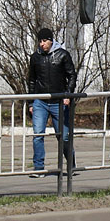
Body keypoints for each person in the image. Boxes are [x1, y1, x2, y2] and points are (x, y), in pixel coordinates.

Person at [27, 27, 77, 177]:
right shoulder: (35, 57)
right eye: (40, 41)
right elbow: (31, 80)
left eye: (45, 41)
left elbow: (71, 75)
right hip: (40, 101)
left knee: (64, 136)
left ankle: (71, 165)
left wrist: (68, 94)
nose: (42, 44)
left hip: (59, 102)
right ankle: (39, 168)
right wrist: (31, 102)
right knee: (38, 134)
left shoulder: (62, 55)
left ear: (51, 40)